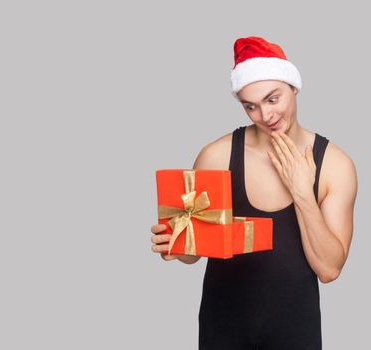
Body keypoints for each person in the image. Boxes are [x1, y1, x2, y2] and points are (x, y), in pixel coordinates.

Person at [150, 36, 357, 350]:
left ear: (294, 87)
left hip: (295, 335)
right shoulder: (216, 157)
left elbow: (329, 269)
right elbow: (195, 250)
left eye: (273, 99)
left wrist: (302, 192)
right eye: (251, 106)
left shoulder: (334, 166)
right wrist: (178, 246)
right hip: (223, 331)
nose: (265, 115)